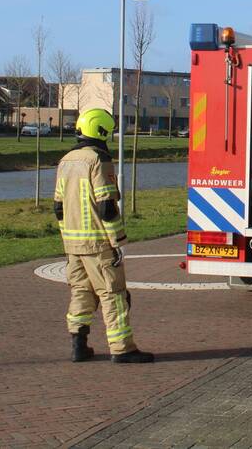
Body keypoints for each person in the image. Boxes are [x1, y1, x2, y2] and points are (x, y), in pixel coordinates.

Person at [53, 108, 154, 364]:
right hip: (98, 244)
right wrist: (118, 242)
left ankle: (79, 346)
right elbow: (107, 207)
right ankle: (122, 349)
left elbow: (58, 207)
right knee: (113, 294)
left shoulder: (66, 160)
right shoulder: (99, 160)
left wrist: (67, 241)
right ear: (102, 131)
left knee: (80, 291)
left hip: (73, 244)